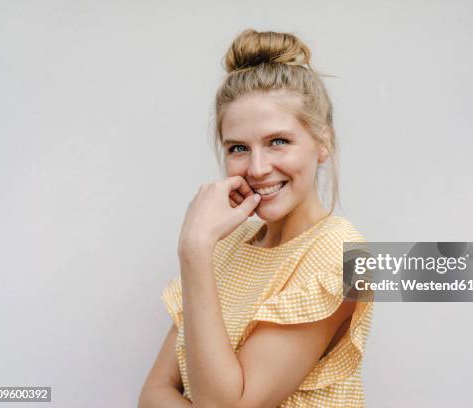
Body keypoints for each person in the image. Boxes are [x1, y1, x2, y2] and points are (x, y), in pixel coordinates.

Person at [139, 28, 374, 408]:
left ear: (323, 143)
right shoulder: (227, 245)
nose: (258, 168)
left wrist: (193, 250)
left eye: (278, 141)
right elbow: (153, 393)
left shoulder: (341, 256)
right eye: (238, 148)